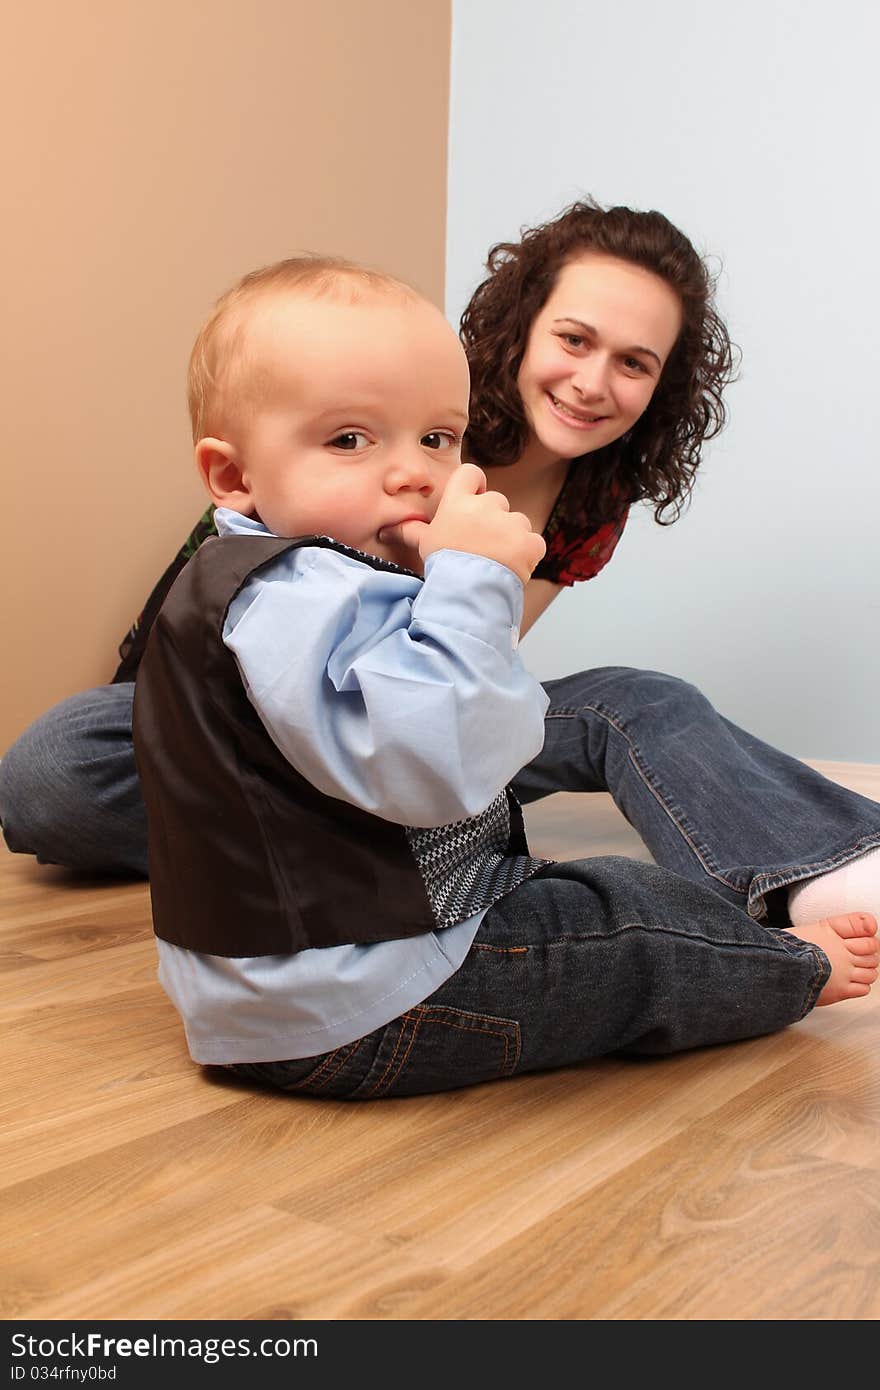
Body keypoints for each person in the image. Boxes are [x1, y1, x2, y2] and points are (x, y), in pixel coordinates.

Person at [2, 199, 879, 933]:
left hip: (421, 715)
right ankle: (317, 836)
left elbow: (479, 668)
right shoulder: (384, 420)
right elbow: (203, 623)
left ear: (663, 387)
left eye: (633, 363)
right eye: (575, 340)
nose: (592, 381)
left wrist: (470, 578)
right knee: (56, 765)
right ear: (521, 329)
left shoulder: (589, 507)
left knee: (638, 700)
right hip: (256, 709)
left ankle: (822, 873)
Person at [131, 252, 875, 1097]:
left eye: (437, 440)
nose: (413, 470)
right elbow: (448, 769)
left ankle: (812, 865)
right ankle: (787, 966)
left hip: (265, 997)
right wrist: (474, 581)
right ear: (233, 476)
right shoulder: (306, 589)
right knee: (629, 919)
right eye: (348, 439)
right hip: (367, 1004)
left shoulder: (306, 568)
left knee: (619, 762)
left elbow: (479, 718)